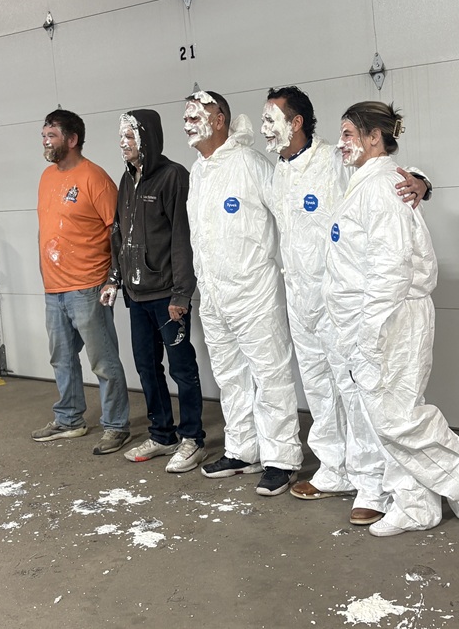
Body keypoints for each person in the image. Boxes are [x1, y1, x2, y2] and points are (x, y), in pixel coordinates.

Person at [324, 101, 459, 536]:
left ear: (373, 138)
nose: (340, 143)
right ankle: (415, 504)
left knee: (399, 418)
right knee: (387, 419)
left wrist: (370, 333)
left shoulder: (384, 187)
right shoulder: (366, 181)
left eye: (348, 134)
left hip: (392, 318)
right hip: (371, 318)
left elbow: (390, 268)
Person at [261, 87, 430, 525]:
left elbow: (386, 173)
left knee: (355, 390)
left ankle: (372, 482)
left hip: (340, 298)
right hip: (300, 297)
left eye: (271, 119)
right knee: (318, 386)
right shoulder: (277, 172)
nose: (265, 128)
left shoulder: (332, 159)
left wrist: (422, 181)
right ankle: (334, 467)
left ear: (296, 122)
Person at [184, 89, 303, 496]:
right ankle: (242, 450)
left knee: (270, 376)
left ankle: (281, 459)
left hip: (254, 293)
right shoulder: (198, 171)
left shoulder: (250, 164)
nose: (187, 123)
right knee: (230, 376)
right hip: (214, 295)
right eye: (185, 117)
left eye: (196, 115)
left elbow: (288, 214)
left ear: (219, 120)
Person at [101, 110, 206, 473]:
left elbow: (183, 238)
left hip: (167, 295)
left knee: (182, 368)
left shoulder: (174, 177)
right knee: (147, 367)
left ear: (147, 137)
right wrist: (114, 279)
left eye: (129, 136)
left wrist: (181, 294)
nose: (123, 143)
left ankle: (192, 439)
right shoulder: (127, 179)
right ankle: (163, 435)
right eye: (121, 137)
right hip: (137, 296)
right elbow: (120, 234)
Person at [33, 109, 132, 455]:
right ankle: (69, 419)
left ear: (72, 139)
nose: (46, 142)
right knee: (61, 359)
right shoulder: (47, 177)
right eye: (44, 136)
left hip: (89, 286)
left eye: (52, 136)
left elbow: (117, 232)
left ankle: (116, 425)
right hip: (54, 288)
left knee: (103, 360)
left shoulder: (95, 178)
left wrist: (112, 279)